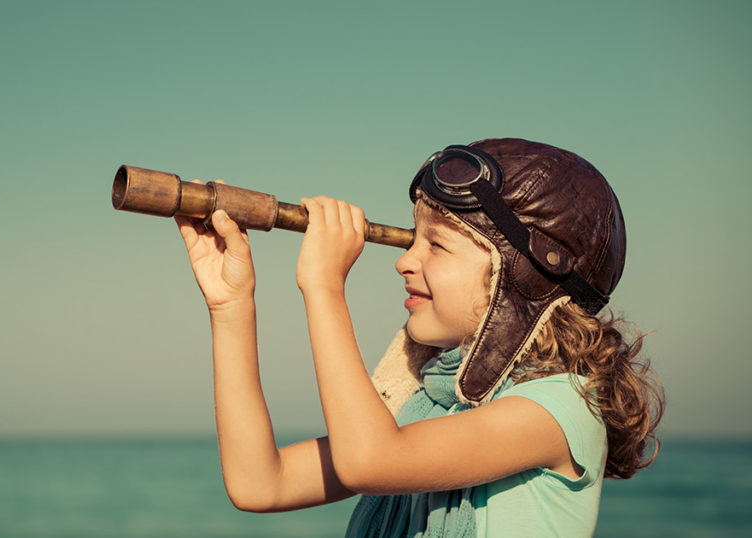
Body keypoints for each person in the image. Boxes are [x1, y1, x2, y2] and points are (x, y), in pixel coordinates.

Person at [173, 138, 663, 537]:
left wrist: (324, 287)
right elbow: (261, 483)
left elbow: (369, 461)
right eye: (413, 240)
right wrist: (230, 305)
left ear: (521, 277)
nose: (405, 261)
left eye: (437, 245)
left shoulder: (557, 409)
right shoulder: (425, 409)